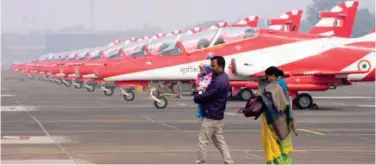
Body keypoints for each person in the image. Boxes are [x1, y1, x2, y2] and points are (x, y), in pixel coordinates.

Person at [193, 56, 234, 164]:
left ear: (220, 66)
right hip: (217, 115)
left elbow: (208, 95)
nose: (211, 68)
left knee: (203, 141)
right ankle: (229, 162)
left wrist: (197, 97)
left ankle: (200, 162)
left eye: (213, 66)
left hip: (212, 115)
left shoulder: (219, 81)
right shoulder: (220, 76)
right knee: (219, 141)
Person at [255, 66, 295, 164]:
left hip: (274, 118)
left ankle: (277, 162)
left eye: (268, 76)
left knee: (274, 142)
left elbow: (271, 101)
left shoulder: (275, 85)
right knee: (282, 141)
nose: (267, 79)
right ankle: (284, 162)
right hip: (283, 117)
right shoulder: (283, 83)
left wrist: (259, 95)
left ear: (272, 76)